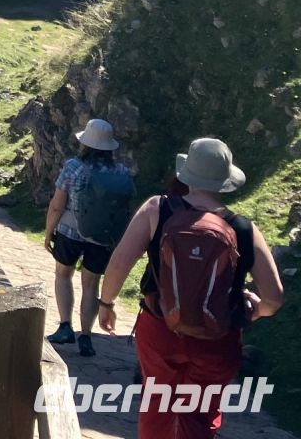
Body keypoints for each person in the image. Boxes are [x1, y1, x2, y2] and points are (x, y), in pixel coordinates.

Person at [99, 137, 283, 438]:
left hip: (159, 327)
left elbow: (119, 263)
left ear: (187, 174)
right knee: (201, 411)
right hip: (218, 335)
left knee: (157, 404)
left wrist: (106, 304)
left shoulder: (157, 209)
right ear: (225, 181)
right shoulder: (244, 228)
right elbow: (274, 298)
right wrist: (254, 311)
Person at [44, 119, 135, 357]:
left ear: (86, 143)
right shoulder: (121, 172)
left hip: (69, 231)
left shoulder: (73, 166)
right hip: (102, 237)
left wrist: (48, 232)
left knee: (63, 275)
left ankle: (65, 327)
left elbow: (57, 204)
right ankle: (86, 336)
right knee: (90, 285)